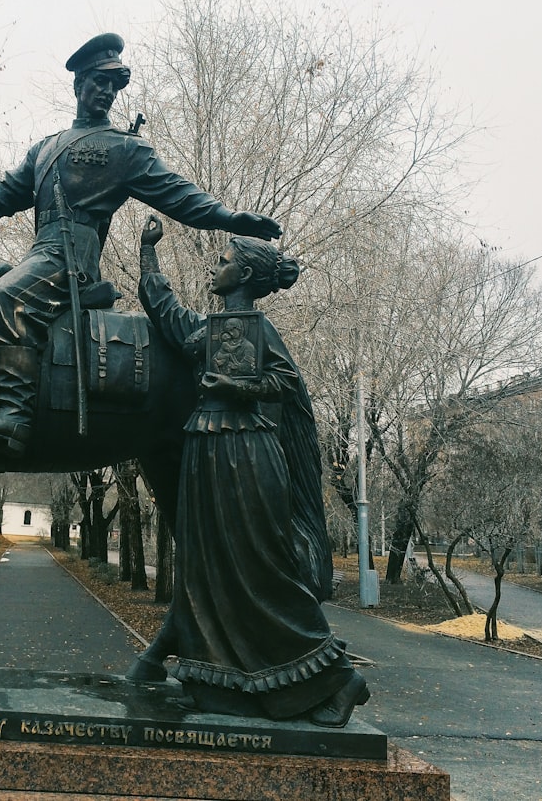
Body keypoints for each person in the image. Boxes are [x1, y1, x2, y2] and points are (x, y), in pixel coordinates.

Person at [0, 33, 282, 456]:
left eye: (115, 85)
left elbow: (179, 194)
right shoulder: (46, 148)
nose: (107, 92)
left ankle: (13, 416)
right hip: (42, 253)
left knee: (6, 296)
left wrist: (228, 217)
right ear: (79, 85)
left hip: (72, 261)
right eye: (99, 82)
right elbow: (10, 188)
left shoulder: (126, 150)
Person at [134, 215, 368, 728]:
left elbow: (284, 380)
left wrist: (240, 388)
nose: (215, 268)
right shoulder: (209, 328)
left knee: (259, 567)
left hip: (245, 453)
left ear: (242, 275)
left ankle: (338, 676)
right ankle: (226, 681)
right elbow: (166, 313)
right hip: (208, 451)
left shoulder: (259, 329)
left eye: (222, 262)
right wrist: (148, 252)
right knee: (208, 564)